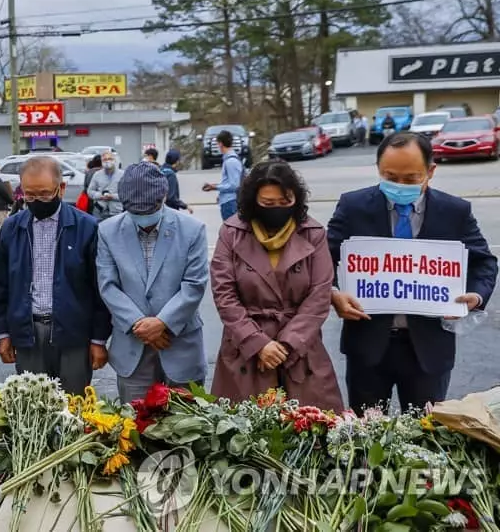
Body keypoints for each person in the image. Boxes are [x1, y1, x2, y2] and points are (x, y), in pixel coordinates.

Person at [327, 132, 497, 410]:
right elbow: (323, 260)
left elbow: (484, 263)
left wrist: (475, 296)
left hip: (429, 350)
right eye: (390, 177)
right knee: (364, 434)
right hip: (368, 346)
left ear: (430, 171)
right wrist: (333, 293)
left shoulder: (455, 211)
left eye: (410, 179)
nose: (399, 185)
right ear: (378, 170)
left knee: (424, 435)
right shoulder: (353, 206)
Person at [210, 161, 344, 411]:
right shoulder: (231, 233)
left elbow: (319, 294)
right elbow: (224, 294)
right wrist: (258, 344)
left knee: (311, 433)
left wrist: (286, 345)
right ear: (253, 201)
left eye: (285, 202)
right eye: (268, 204)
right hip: (245, 350)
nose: (277, 210)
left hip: (302, 350)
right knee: (243, 437)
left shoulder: (313, 233)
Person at [0, 156, 111, 393]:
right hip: (27, 332)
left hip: (74, 333)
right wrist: (3, 332)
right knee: (33, 409)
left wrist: (98, 339)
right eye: (30, 195)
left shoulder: (87, 227)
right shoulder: (12, 228)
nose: (37, 201)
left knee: (74, 408)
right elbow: (0, 285)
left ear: (61, 188)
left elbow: (100, 289)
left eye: (45, 194)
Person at [96, 163, 208, 402]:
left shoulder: (192, 229)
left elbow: (194, 284)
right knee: (135, 429)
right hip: (132, 348)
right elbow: (108, 285)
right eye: (136, 211)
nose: (144, 217)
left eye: (150, 209)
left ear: (164, 197)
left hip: (181, 344)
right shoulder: (107, 231)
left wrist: (162, 322)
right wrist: (140, 325)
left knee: (186, 429)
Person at [202, 130, 244, 221]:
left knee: (231, 232)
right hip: (228, 201)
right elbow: (229, 182)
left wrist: (216, 187)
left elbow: (234, 185)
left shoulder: (231, 161)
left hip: (230, 202)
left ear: (220, 144)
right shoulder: (229, 160)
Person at [87, 151, 124, 220]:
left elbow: (127, 193)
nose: (107, 161)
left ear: (114, 160)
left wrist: (113, 196)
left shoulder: (122, 175)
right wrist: (100, 196)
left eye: (110, 159)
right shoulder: (97, 174)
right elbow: (90, 191)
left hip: (116, 212)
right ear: (101, 162)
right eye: (105, 159)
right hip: (100, 211)